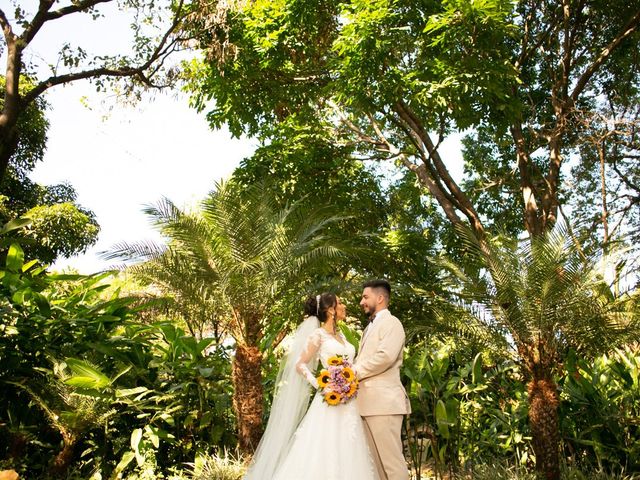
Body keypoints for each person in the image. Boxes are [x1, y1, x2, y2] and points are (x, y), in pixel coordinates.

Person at [243, 293, 379, 480]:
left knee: (351, 447)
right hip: (329, 403)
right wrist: (321, 385)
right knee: (323, 451)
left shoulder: (341, 335)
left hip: (350, 402)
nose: (344, 305)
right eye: (340, 303)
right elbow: (300, 364)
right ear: (331, 310)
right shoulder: (318, 336)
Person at [355, 279, 411, 480]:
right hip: (367, 405)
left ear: (380, 298)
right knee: (377, 468)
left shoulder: (392, 323)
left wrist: (353, 372)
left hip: (384, 405)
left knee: (392, 465)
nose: (361, 301)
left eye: (365, 297)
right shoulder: (369, 327)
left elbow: (385, 357)